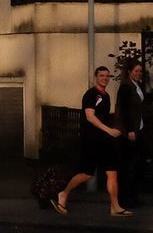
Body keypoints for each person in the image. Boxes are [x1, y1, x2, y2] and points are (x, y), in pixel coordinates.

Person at [52, 66, 131, 217]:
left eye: (107, 76)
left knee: (112, 173)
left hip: (106, 141)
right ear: (96, 77)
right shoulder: (90, 94)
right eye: (102, 75)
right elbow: (90, 116)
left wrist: (116, 128)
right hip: (92, 140)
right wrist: (108, 130)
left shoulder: (106, 96)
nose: (105, 78)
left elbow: (104, 116)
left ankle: (115, 207)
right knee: (87, 174)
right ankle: (63, 194)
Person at [115, 60, 147, 209]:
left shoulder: (138, 86)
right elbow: (125, 110)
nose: (138, 73)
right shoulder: (126, 87)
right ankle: (124, 198)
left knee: (138, 164)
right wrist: (129, 131)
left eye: (140, 71)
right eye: (136, 71)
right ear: (129, 72)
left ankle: (134, 196)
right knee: (128, 166)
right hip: (131, 131)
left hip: (139, 129)